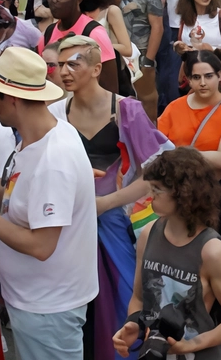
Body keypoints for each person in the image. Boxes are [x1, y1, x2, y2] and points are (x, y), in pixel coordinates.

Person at [0, 47, 96, 360]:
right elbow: (16, 196)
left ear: (13, 99)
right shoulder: (37, 137)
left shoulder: (53, 157)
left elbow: (41, 246)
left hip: (47, 307)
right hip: (36, 303)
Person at [53, 34, 172, 360]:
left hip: (114, 223)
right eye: (59, 64)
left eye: (72, 63)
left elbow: (155, 173)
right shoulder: (53, 113)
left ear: (95, 68)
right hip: (66, 222)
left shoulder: (126, 110)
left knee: (120, 300)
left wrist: (105, 203)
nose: (64, 71)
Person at [113, 147, 221, 360]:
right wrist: (133, 325)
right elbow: (139, 298)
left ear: (184, 192)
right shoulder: (148, 234)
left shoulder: (212, 250)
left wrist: (189, 345)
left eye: (157, 189)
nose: (150, 195)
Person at [159, 50, 221, 229]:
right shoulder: (173, 108)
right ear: (188, 79)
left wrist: (178, 153)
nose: (203, 83)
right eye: (196, 77)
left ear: (220, 75)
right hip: (177, 191)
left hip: (216, 194)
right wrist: (206, 156)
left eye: (209, 76)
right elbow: (157, 150)